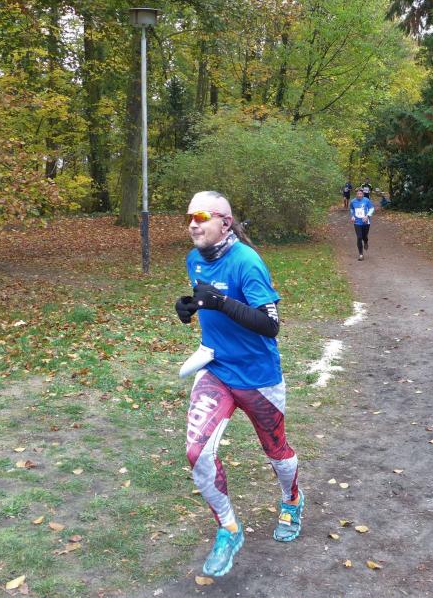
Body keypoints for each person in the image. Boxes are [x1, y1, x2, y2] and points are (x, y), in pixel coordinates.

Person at [174, 191, 303, 577]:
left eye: (201, 216)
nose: (192, 224)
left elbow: (270, 324)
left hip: (258, 377)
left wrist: (218, 303)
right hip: (215, 368)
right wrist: (191, 307)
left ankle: (292, 499)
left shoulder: (247, 262)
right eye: (189, 217)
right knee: (197, 452)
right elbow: (208, 300)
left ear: (225, 222)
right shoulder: (194, 259)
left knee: (276, 451)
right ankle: (228, 529)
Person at [349, 188, 374, 261]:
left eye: (360, 194)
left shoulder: (366, 200)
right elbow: (351, 209)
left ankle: (366, 242)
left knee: (364, 237)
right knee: (359, 237)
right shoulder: (353, 201)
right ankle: (361, 254)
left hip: (366, 222)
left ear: (363, 194)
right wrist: (352, 216)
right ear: (356, 194)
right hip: (357, 222)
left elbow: (372, 208)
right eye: (358, 194)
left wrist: (367, 216)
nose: (359, 195)